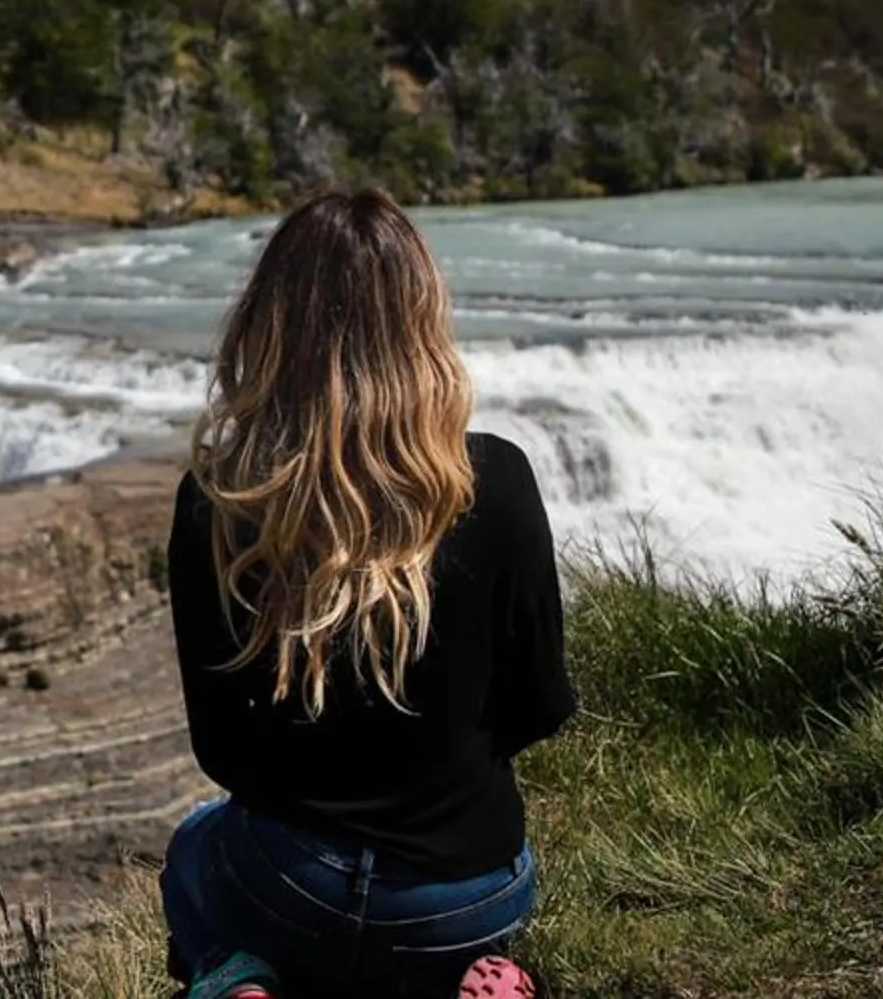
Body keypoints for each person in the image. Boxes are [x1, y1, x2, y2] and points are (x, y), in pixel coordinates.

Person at [160, 190, 576, 999]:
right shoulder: (497, 479)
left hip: (290, 886)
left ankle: (236, 974)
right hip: (467, 895)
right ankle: (466, 980)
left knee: (192, 848)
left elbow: (222, 752)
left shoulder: (217, 502)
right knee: (432, 936)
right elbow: (542, 704)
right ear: (421, 318)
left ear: (268, 324)